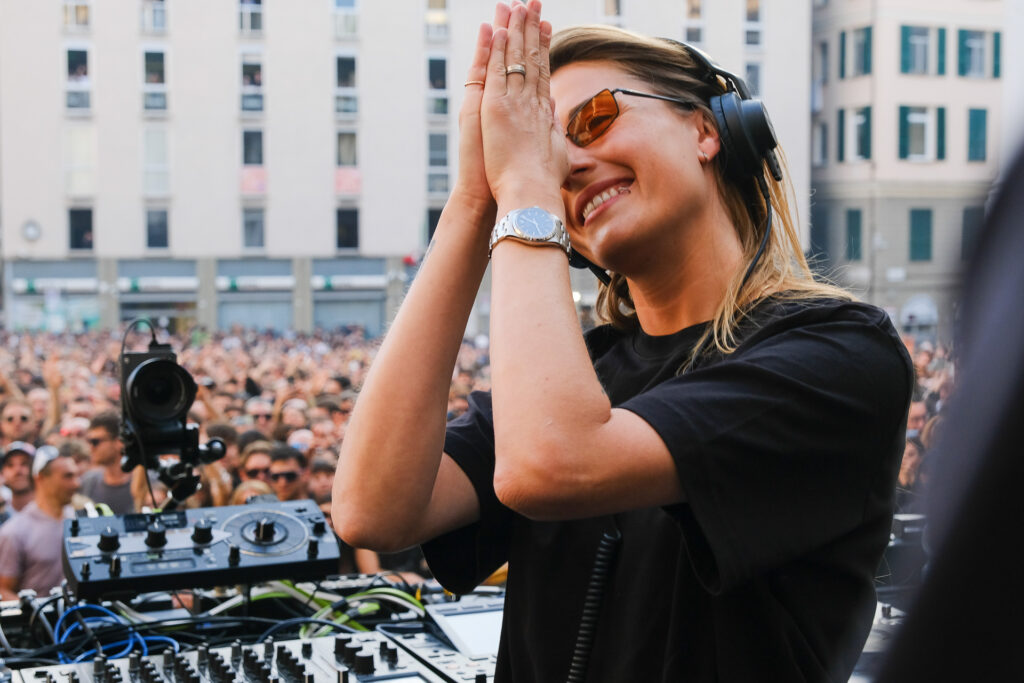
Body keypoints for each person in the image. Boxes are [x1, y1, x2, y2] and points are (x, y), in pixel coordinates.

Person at [333, 4, 912, 682]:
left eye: (594, 118)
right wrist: (473, 200)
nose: (565, 164)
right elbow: (373, 507)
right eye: (545, 147)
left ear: (705, 128)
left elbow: (548, 463)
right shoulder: (581, 374)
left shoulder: (839, 355)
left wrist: (525, 188)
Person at [0, 446, 81, 599]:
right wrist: (37, 616)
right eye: (67, 476)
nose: (76, 484)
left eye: (76, 475)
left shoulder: (81, 522)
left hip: (82, 620)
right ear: (41, 478)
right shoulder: (14, 531)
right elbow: (3, 591)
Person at [79, 411, 134, 514]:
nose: (90, 448)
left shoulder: (147, 482)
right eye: (89, 442)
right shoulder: (88, 482)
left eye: (95, 442)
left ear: (119, 442)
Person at [1, 442, 36, 513]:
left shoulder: (54, 512)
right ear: (2, 472)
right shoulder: (2, 515)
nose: (17, 470)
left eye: (24, 463)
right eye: (10, 465)